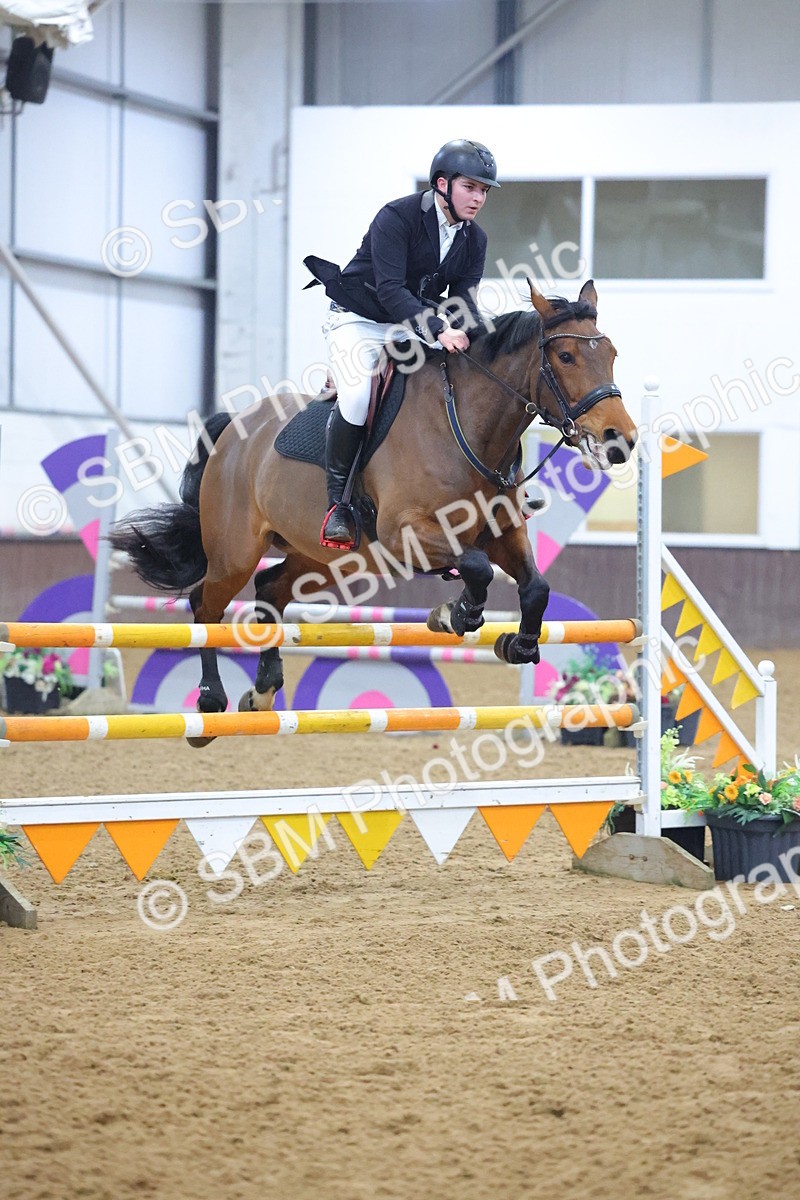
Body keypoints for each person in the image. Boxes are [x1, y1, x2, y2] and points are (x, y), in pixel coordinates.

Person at [304, 138, 500, 548]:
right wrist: (439, 330)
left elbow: (463, 303)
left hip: (410, 325)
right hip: (358, 320)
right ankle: (338, 505)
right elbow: (391, 290)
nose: (479, 198)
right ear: (442, 184)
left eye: (484, 190)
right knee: (358, 397)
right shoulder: (398, 216)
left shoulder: (474, 239)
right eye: (471, 187)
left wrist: (490, 342)